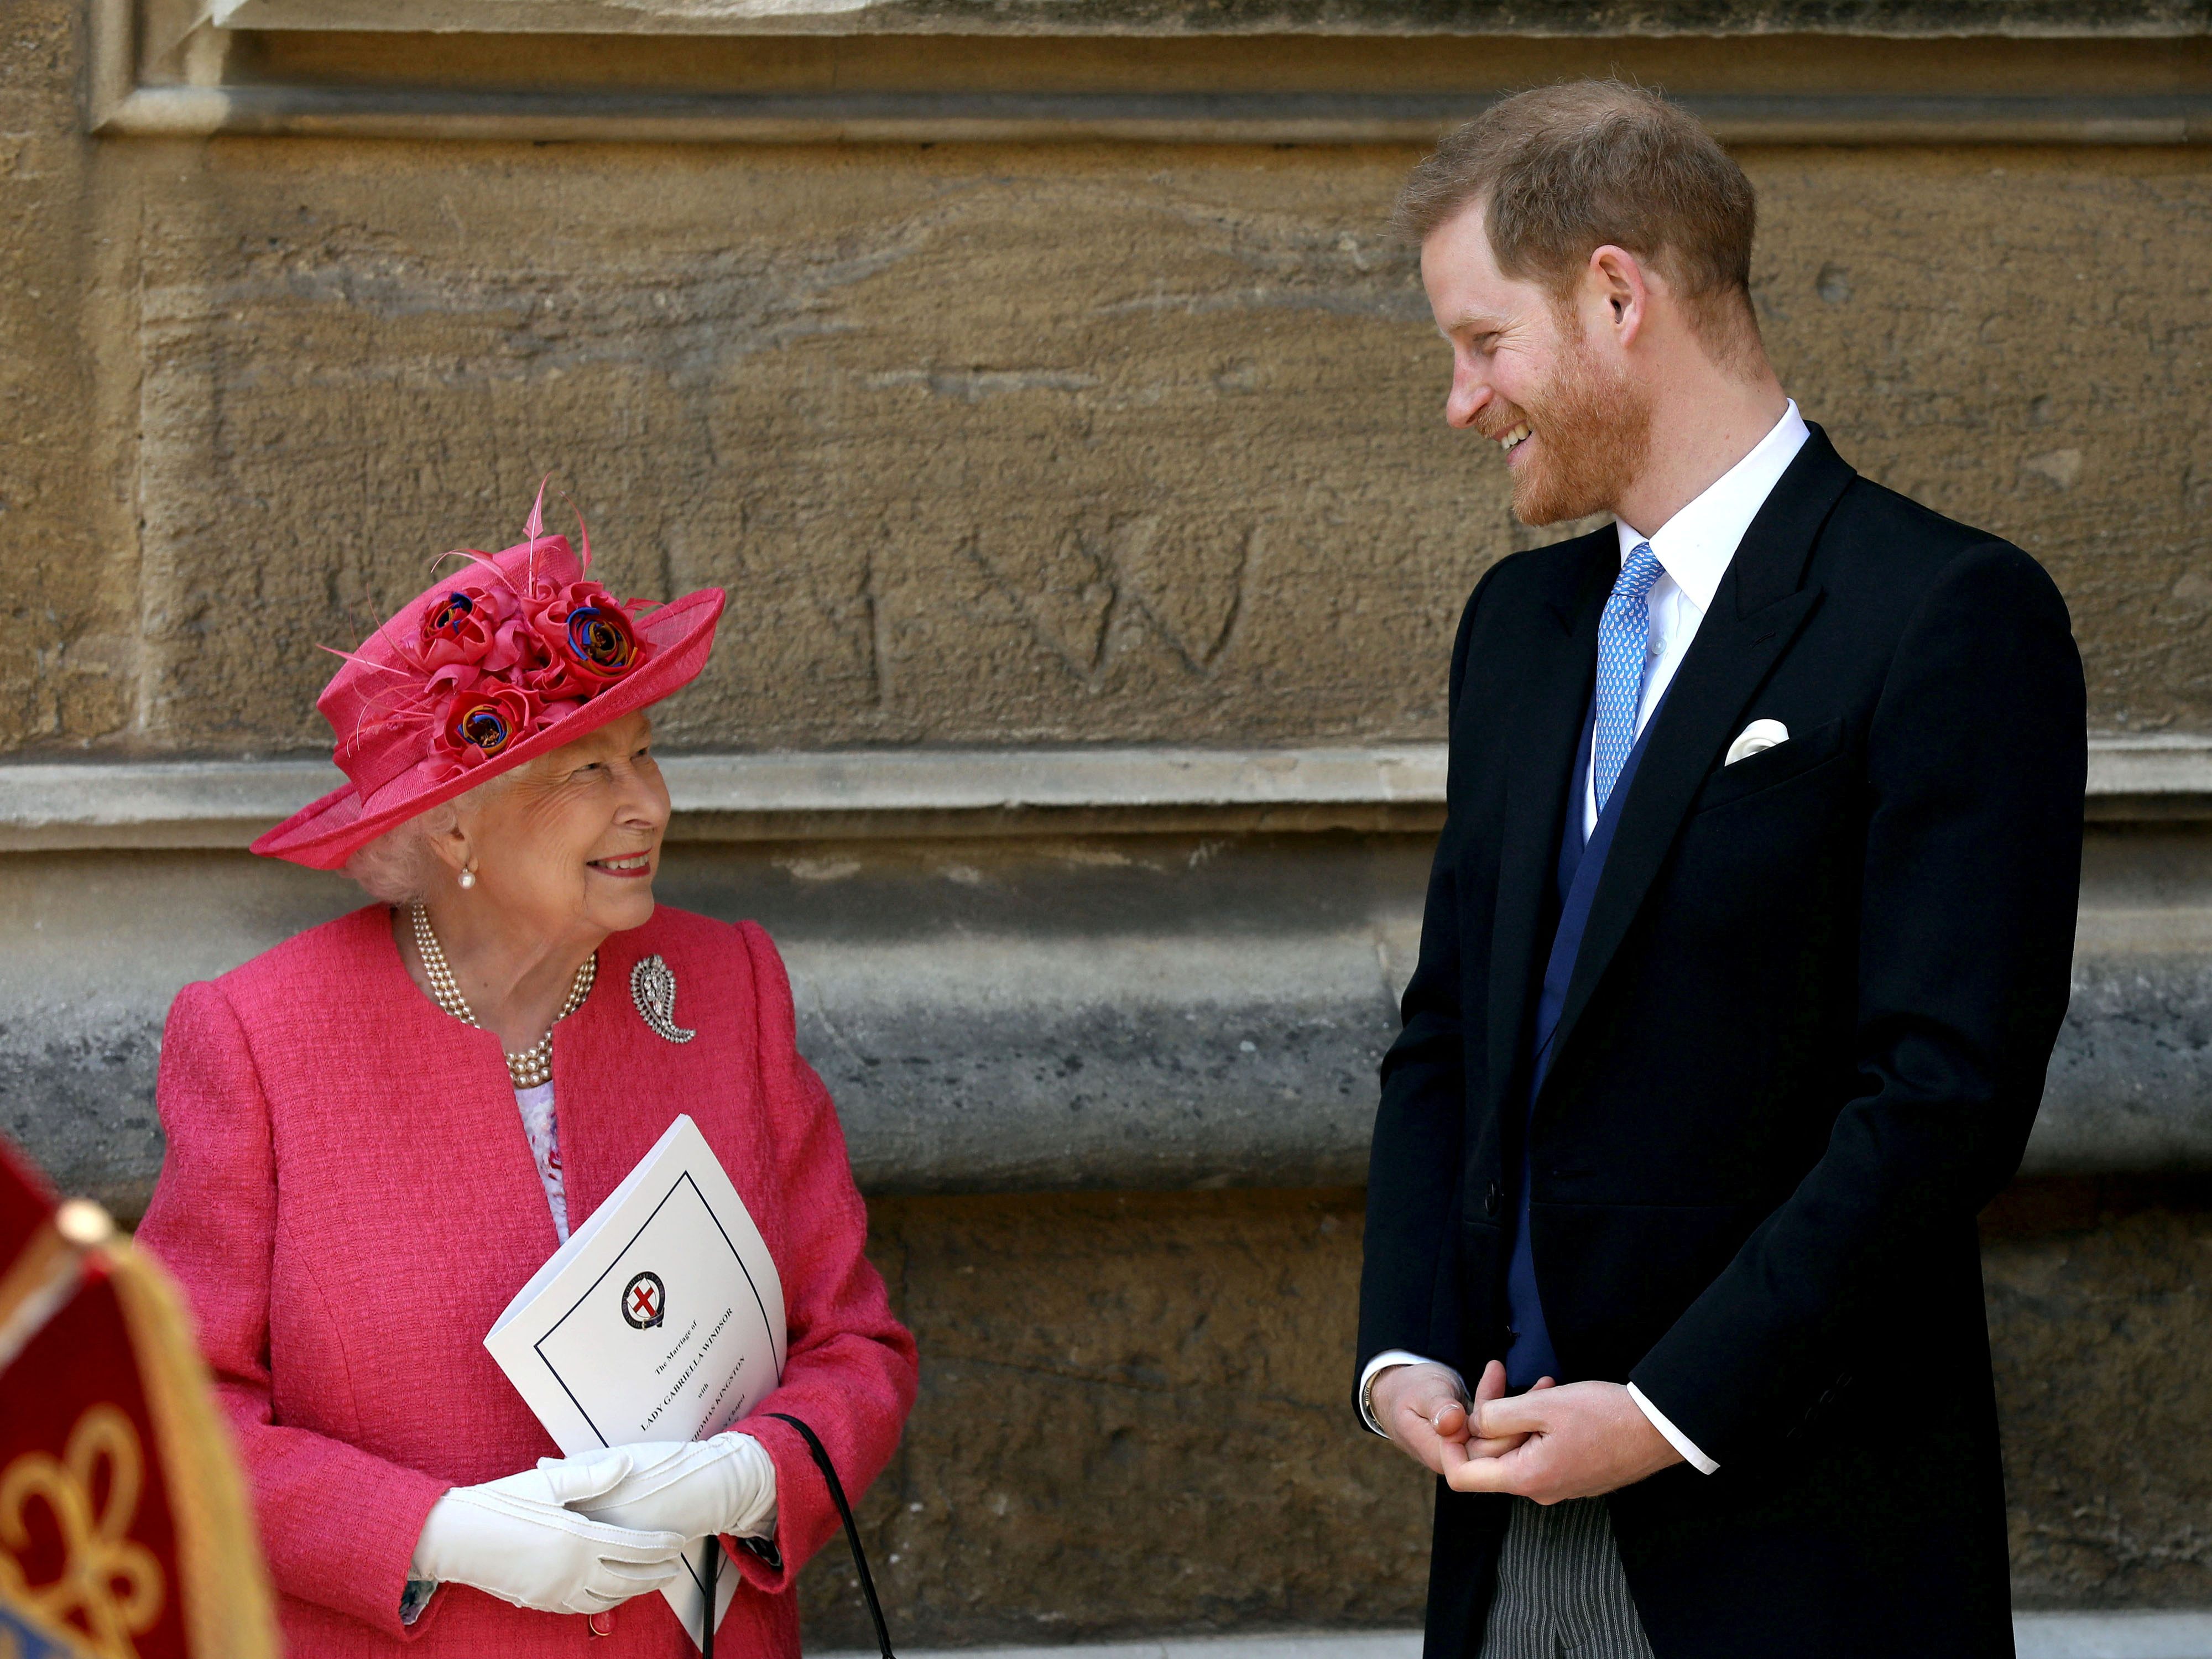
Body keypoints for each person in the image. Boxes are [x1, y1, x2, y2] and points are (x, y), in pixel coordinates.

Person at [1355, 82, 2084, 1658]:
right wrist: (1404, 1353)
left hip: (1798, 1551)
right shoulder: (1519, 633)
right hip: (1503, 1551)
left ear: (1618, 296)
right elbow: (1449, 1035)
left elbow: (1943, 1101)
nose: (1462, 401)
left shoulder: (1946, 615)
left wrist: (1668, 1410)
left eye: (1484, 344)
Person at [137, 493, 917, 1656]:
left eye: (645, 754)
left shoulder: (726, 987)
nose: (647, 805)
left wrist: (748, 1478)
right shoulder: (260, 1041)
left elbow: (854, 1349)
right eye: (586, 771)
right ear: (454, 832)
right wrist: (438, 1532)